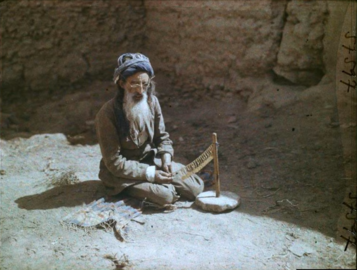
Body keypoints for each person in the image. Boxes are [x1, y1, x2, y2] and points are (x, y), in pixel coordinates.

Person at [95, 53, 204, 206]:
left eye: (145, 85)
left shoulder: (152, 102)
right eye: (134, 83)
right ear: (121, 83)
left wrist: (166, 157)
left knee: (195, 188)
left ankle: (156, 184)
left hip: (150, 160)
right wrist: (152, 174)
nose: (140, 90)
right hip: (122, 174)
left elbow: (162, 137)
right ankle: (126, 190)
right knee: (166, 196)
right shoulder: (107, 114)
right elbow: (114, 163)